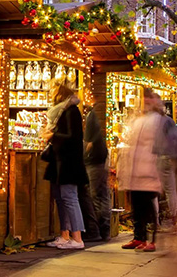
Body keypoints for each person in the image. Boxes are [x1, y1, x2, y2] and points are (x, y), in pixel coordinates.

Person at [41, 83, 89, 250]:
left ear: (60, 94)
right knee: (61, 199)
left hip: (68, 163)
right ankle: (65, 235)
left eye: (53, 91)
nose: (50, 93)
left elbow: (72, 137)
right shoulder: (62, 112)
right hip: (60, 162)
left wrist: (52, 135)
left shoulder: (71, 112)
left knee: (69, 198)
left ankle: (77, 237)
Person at [116, 89, 163, 252]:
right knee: (137, 206)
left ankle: (152, 239)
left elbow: (161, 144)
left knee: (149, 206)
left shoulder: (158, 120)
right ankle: (139, 237)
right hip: (135, 170)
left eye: (148, 100)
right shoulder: (137, 120)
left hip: (149, 169)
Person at [82, 99, 110, 241]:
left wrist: (84, 154)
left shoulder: (92, 116)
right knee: (103, 195)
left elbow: (89, 143)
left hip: (94, 161)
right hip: (101, 159)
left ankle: (96, 230)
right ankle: (105, 230)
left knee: (94, 196)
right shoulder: (96, 117)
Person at [154, 99, 177, 230]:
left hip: (158, 157)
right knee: (170, 188)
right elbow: (175, 139)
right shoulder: (169, 121)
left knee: (154, 190)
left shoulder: (153, 122)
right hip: (169, 157)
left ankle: (155, 221)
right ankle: (173, 217)